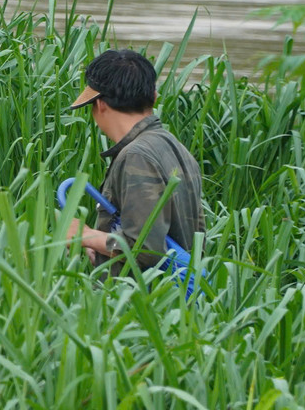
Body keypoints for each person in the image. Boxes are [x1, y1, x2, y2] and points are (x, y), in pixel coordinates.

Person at [64, 49, 204, 272]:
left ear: (99, 104)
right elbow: (189, 239)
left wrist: (85, 235)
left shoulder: (137, 156)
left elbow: (144, 249)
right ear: (154, 97)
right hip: (174, 298)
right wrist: (100, 248)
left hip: (139, 303)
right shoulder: (175, 148)